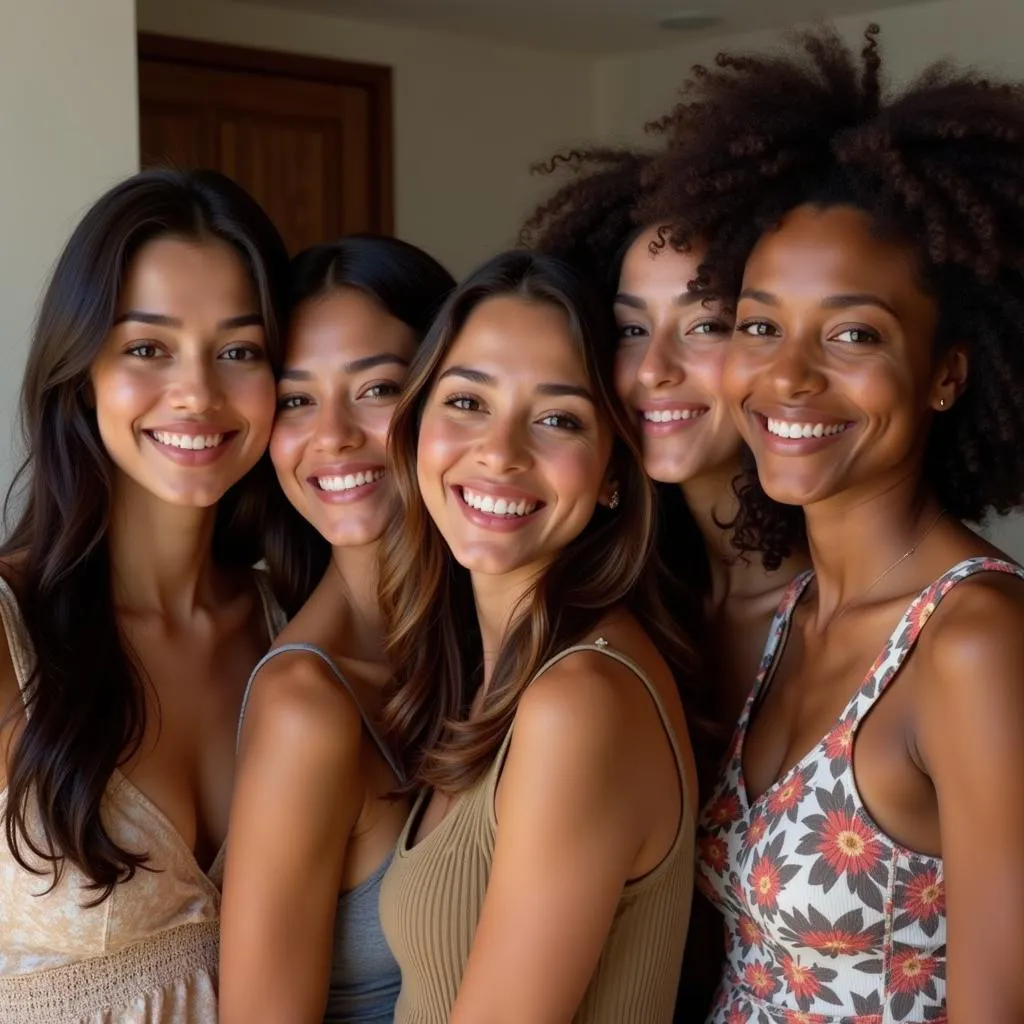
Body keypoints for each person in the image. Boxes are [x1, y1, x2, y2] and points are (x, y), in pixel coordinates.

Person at [649, 24, 1024, 1022]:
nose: (787, 376)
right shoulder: (795, 614)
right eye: (760, 325)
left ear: (947, 371)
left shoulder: (975, 644)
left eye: (852, 333)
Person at [377, 250, 698, 1023]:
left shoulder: (580, 703)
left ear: (614, 469)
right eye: (467, 402)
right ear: (416, 425)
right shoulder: (495, 674)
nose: (500, 452)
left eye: (557, 418)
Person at [0, 168, 289, 1022]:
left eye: (239, 351)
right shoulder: (8, 635)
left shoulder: (293, 630)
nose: (197, 393)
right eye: (147, 347)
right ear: (81, 368)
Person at [524, 154, 809, 1018]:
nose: (653, 370)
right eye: (629, 329)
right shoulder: (616, 599)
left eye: (705, 325)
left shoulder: (847, 607)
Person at [218, 236, 455, 1024]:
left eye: (377, 388)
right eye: (295, 399)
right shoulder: (305, 704)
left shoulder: (505, 646)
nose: (334, 436)